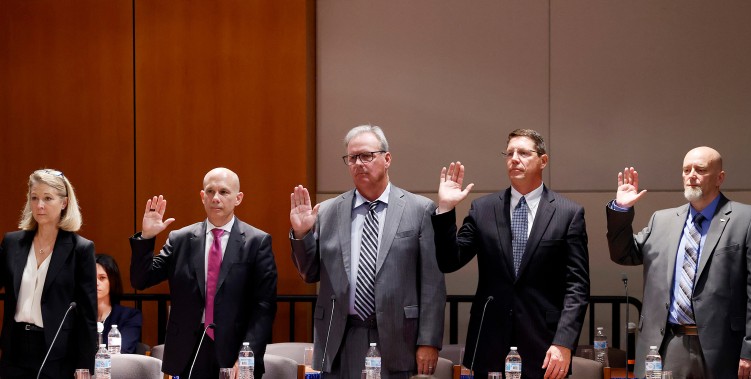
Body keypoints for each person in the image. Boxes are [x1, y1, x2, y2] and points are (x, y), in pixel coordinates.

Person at [290, 125, 446, 378]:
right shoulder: (328, 211)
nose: (359, 163)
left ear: (387, 159)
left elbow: (432, 283)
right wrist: (302, 234)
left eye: (367, 156)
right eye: (352, 158)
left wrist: (428, 341)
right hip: (340, 335)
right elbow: (309, 273)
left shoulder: (419, 209)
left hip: (399, 337)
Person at [433, 129, 589, 379]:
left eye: (524, 153)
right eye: (509, 153)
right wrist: (445, 209)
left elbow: (577, 287)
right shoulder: (484, 209)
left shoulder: (568, 213)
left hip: (546, 344)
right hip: (490, 341)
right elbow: (449, 261)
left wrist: (564, 342)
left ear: (543, 161)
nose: (514, 158)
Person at [607, 146, 751, 379]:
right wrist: (622, 209)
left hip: (725, 348)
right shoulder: (662, 220)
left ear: (720, 178)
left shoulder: (746, 219)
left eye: (700, 169)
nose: (691, 175)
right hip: (667, 344)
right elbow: (624, 254)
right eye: (686, 170)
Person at [129, 167, 277, 378]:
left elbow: (264, 306)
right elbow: (141, 280)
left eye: (224, 192)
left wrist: (246, 356)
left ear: (238, 198)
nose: (215, 198)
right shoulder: (180, 239)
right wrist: (146, 238)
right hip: (187, 352)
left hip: (234, 352)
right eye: (210, 191)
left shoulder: (257, 242)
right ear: (202, 196)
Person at [0, 169, 98, 378]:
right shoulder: (12, 243)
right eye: (34, 198)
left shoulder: (80, 249)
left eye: (47, 198)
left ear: (64, 203)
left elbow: (88, 315)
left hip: (57, 351)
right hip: (15, 347)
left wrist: (85, 368)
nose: (39, 205)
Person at [95, 253, 142, 353]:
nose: (96, 283)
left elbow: (123, 351)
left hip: (117, 367)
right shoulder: (78, 314)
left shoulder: (129, 316)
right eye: (91, 277)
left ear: (112, 281)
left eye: (102, 278)